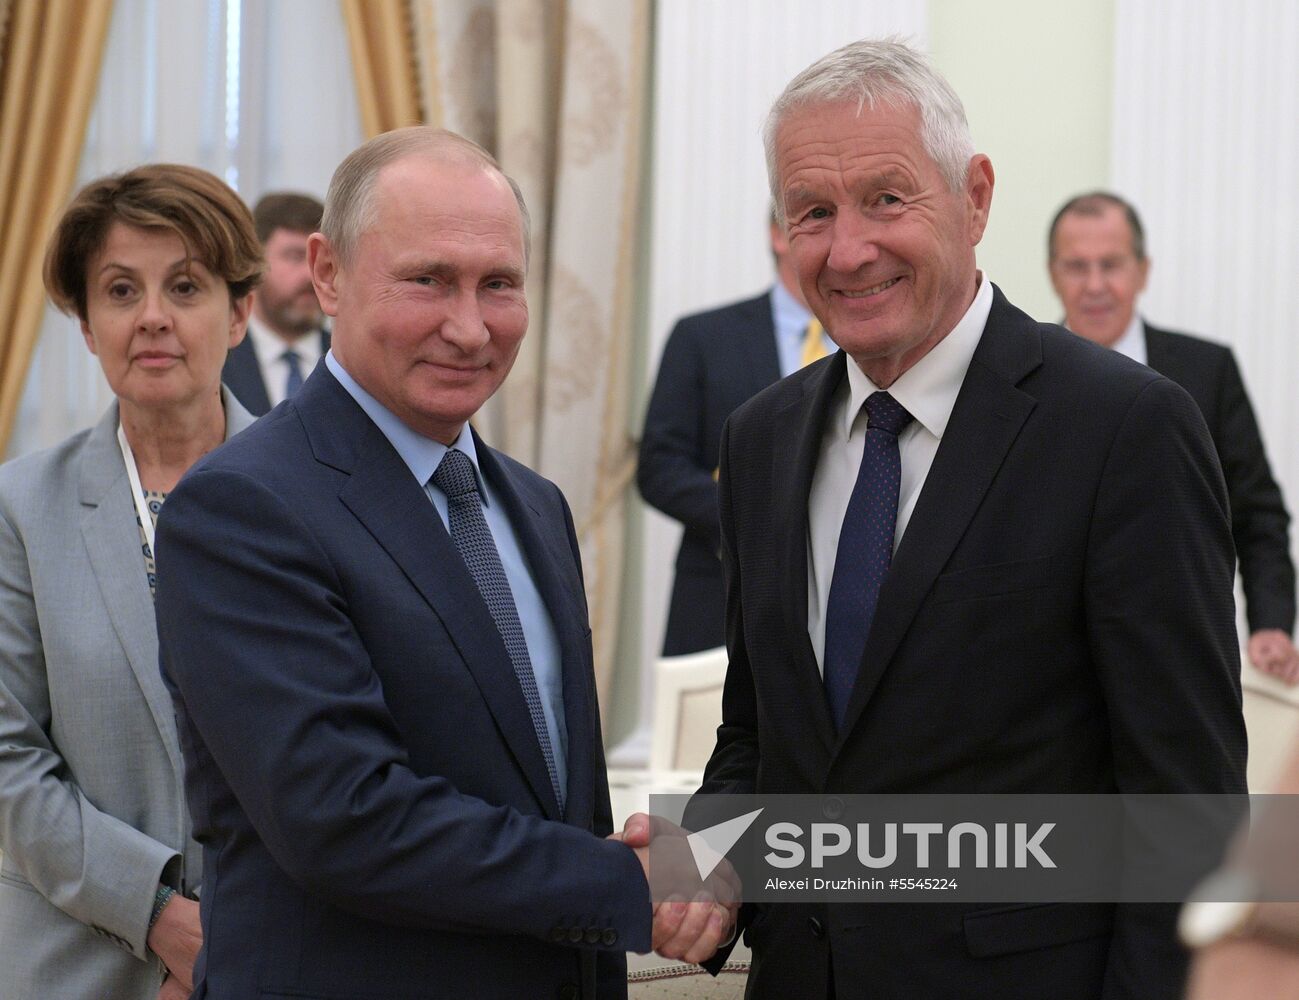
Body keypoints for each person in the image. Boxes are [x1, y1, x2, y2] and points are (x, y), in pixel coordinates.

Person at [626, 39, 1247, 998]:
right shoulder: (758, 440)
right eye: (813, 212)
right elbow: (758, 735)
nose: (848, 249)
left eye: (886, 198)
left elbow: (1184, 810)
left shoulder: (1125, 427)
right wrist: (704, 860)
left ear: (975, 197)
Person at [153, 127, 730, 1000]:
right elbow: (346, 819)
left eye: (498, 284)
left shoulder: (532, 505)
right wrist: (635, 885)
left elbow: (553, 804)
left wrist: (700, 870)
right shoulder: (241, 506)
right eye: (427, 279)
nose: (469, 327)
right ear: (327, 272)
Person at [0, 164, 260, 999]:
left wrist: (238, 933)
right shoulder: (17, 508)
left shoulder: (316, 498)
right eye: (119, 290)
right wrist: (161, 916)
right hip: (73, 957)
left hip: (282, 954)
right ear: (86, 324)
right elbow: (8, 760)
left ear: (241, 311)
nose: (152, 317)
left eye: (185, 286)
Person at [1048, 191, 1297, 683]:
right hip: (1055, 672)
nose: (1095, 285)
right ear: (1054, 274)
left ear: (1142, 270)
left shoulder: (1207, 372)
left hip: (1185, 665)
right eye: (1077, 267)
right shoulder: (1020, 378)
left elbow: (1257, 512)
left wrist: (1271, 624)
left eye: (1111, 265)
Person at [639, 211, 834, 655]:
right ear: (776, 236)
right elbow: (659, 468)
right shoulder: (703, 337)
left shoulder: (870, 343)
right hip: (721, 595)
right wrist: (749, 514)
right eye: (815, 218)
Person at [222, 191, 329, 414]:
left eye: (321, 260)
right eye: (295, 256)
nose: (311, 275)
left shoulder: (354, 363)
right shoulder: (219, 360)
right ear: (255, 262)